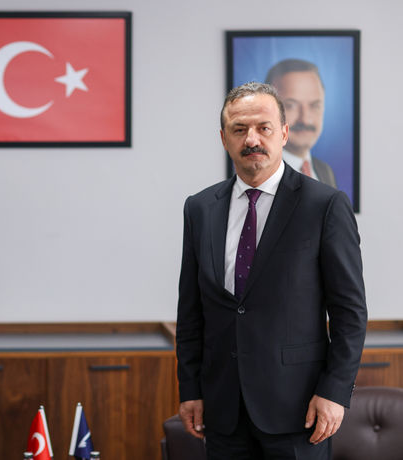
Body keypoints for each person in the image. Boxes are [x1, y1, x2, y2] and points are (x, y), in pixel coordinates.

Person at [176, 82, 367, 459]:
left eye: (263, 128)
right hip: (223, 410)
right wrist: (190, 389)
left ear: (283, 133)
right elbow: (191, 312)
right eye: (239, 129)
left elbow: (350, 312)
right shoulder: (199, 208)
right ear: (224, 138)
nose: (252, 139)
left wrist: (334, 391)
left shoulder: (324, 205)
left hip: (300, 409)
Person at [265, 59, 337, 188]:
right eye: (291, 105)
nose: (305, 119)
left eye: (314, 105)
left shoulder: (325, 171)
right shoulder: (259, 176)